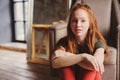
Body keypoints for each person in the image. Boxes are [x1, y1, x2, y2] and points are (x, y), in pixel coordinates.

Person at [51, 3, 109, 80]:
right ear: (70, 24)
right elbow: (55, 63)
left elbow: (96, 64)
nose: (78, 25)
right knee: (65, 67)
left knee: (92, 68)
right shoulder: (63, 42)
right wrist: (83, 57)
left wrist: (66, 55)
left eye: (83, 21)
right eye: (74, 21)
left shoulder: (97, 42)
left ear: (90, 24)